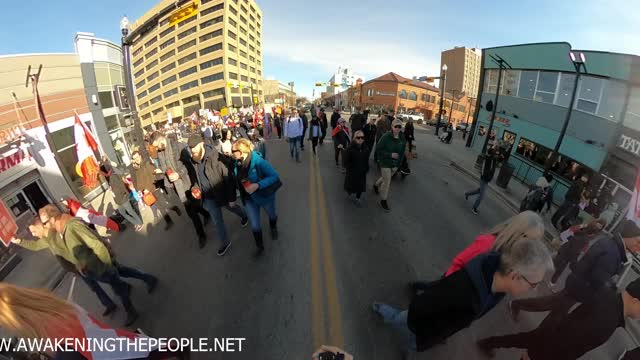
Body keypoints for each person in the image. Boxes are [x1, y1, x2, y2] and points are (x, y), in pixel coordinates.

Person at [372, 238, 553, 353]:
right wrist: (424, 334)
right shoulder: (466, 290)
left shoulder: (498, 285)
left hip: (437, 330)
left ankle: (409, 345)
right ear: (515, 275)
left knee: (412, 342)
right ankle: (386, 313)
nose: (534, 289)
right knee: (402, 320)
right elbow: (428, 303)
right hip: (426, 325)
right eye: (534, 284)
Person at [37, 205, 158, 326]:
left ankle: (131, 311)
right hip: (95, 265)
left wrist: (107, 264)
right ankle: (148, 278)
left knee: (118, 287)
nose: (44, 226)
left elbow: (96, 245)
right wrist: (80, 265)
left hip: (101, 263)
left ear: (52, 219)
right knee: (122, 272)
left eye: (45, 223)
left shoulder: (72, 226)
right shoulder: (62, 230)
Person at [509, 219, 640, 331]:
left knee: (556, 312)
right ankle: (519, 308)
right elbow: (600, 278)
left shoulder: (612, 245)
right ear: (628, 236)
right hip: (579, 287)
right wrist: (612, 291)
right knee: (550, 306)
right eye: (638, 241)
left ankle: (538, 333)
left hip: (579, 286)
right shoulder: (612, 251)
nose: (638, 246)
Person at [0, 283, 187, 359]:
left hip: (105, 353)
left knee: (144, 353)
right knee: (145, 350)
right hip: (108, 341)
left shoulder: (53, 338)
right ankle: (176, 347)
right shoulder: (55, 305)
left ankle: (176, 347)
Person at [477, 278, 640, 360]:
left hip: (556, 331)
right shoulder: (607, 320)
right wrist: (534, 354)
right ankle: (489, 342)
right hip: (552, 347)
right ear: (635, 300)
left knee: (524, 339)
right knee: (526, 341)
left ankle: (489, 342)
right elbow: (569, 343)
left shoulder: (610, 296)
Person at [11, 218, 118, 317]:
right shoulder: (46, 239)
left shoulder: (55, 235)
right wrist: (19, 241)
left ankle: (122, 287)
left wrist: (80, 264)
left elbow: (72, 249)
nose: (34, 235)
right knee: (95, 287)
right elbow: (35, 246)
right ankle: (109, 303)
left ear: (40, 226)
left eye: (34, 231)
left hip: (83, 266)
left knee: (106, 277)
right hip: (78, 269)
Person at [183, 133, 249, 256]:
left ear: (201, 144)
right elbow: (196, 178)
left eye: (194, 147)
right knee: (217, 221)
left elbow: (228, 178)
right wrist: (195, 188)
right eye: (190, 148)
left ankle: (244, 216)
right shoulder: (193, 160)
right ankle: (225, 242)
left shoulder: (215, 157)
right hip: (208, 197)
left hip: (221, 192)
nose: (193, 151)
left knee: (232, 207)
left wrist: (231, 197)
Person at [445, 211, 545, 277]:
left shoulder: (515, 257)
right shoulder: (488, 244)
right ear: (515, 231)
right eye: (526, 238)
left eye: (534, 242)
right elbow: (458, 263)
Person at [231, 139, 281, 256]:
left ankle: (273, 227)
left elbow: (274, 176)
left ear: (241, 151)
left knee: (272, 215)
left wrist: (258, 185)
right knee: (255, 225)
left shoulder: (259, 162)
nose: (231, 152)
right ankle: (260, 246)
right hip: (248, 199)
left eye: (233, 151)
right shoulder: (237, 163)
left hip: (264, 196)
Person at [129, 151, 179, 230]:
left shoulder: (147, 163)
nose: (137, 159)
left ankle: (174, 208)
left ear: (140, 156)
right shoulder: (137, 168)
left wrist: (147, 188)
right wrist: (140, 189)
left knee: (163, 204)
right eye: (135, 158)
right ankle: (169, 221)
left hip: (154, 188)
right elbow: (139, 180)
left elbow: (153, 176)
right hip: (148, 191)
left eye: (137, 157)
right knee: (160, 206)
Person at [550, 219, 606, 286]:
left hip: (570, 248)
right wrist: (565, 240)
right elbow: (571, 231)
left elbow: (583, 244)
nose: (598, 226)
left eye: (600, 226)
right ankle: (550, 280)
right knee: (558, 262)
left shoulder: (593, 234)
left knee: (559, 263)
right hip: (568, 246)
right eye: (598, 224)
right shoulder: (585, 229)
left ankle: (552, 281)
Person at [373, 119, 406, 212]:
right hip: (385, 162)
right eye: (396, 126)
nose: (398, 129)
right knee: (387, 182)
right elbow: (378, 149)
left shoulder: (402, 137)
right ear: (392, 126)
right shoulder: (386, 137)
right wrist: (389, 154)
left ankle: (376, 185)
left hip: (395, 164)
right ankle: (383, 200)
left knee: (385, 178)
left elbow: (402, 152)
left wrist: (398, 164)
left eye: (400, 127)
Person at [464, 146, 497, 215]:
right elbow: (485, 167)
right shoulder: (488, 158)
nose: (495, 154)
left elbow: (499, 159)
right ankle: (474, 208)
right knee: (481, 195)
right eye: (494, 153)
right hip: (484, 178)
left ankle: (467, 193)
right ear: (491, 154)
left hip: (487, 179)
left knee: (478, 191)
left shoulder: (493, 159)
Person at [343, 130, 369, 207]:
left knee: (360, 186)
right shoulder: (350, 149)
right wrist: (350, 168)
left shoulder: (366, 148)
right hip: (352, 172)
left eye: (362, 137)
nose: (360, 139)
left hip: (362, 171)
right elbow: (345, 161)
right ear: (354, 138)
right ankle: (349, 192)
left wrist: (366, 168)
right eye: (358, 137)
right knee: (351, 185)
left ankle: (358, 198)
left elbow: (366, 160)